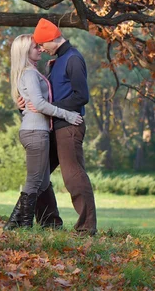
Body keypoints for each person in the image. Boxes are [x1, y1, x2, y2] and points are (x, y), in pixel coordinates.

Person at [20, 18, 97, 235]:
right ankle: (49, 223)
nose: (41, 49)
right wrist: (26, 105)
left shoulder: (73, 58)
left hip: (69, 127)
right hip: (52, 127)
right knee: (40, 175)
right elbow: (43, 98)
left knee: (73, 176)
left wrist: (49, 107)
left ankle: (86, 229)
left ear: (53, 39)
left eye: (43, 44)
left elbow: (81, 96)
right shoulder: (55, 62)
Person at [4, 34, 83, 230]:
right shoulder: (29, 74)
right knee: (34, 181)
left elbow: (35, 100)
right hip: (36, 132)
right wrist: (68, 115)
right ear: (25, 52)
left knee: (42, 181)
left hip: (37, 130)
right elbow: (39, 104)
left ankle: (16, 222)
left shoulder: (32, 72)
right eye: (34, 47)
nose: (39, 49)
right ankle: (23, 224)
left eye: (39, 46)